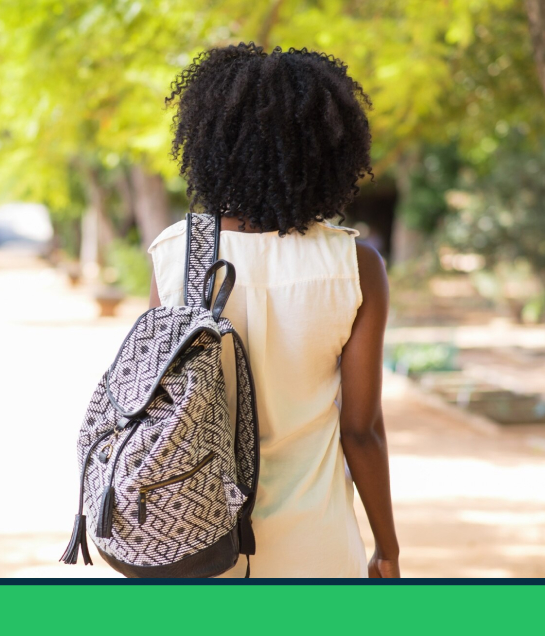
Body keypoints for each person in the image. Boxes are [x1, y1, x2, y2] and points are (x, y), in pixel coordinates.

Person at [148, 44, 400, 578]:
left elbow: (153, 399)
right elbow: (360, 431)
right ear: (329, 150)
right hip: (316, 544)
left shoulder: (179, 254)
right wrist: (388, 547)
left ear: (213, 144)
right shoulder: (354, 267)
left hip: (195, 536)